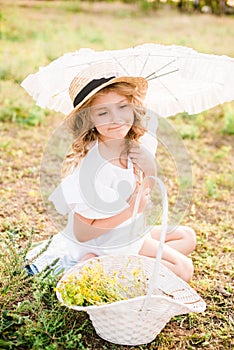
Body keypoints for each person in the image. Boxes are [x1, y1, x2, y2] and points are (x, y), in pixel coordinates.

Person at [26, 63, 196, 282]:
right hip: (102, 240)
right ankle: (92, 264)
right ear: (89, 120)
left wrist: (149, 167)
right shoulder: (91, 170)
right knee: (183, 268)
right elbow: (83, 233)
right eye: (103, 112)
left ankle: (103, 267)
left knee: (186, 237)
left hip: (127, 229)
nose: (116, 119)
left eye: (122, 107)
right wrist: (129, 211)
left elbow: (144, 190)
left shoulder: (134, 144)